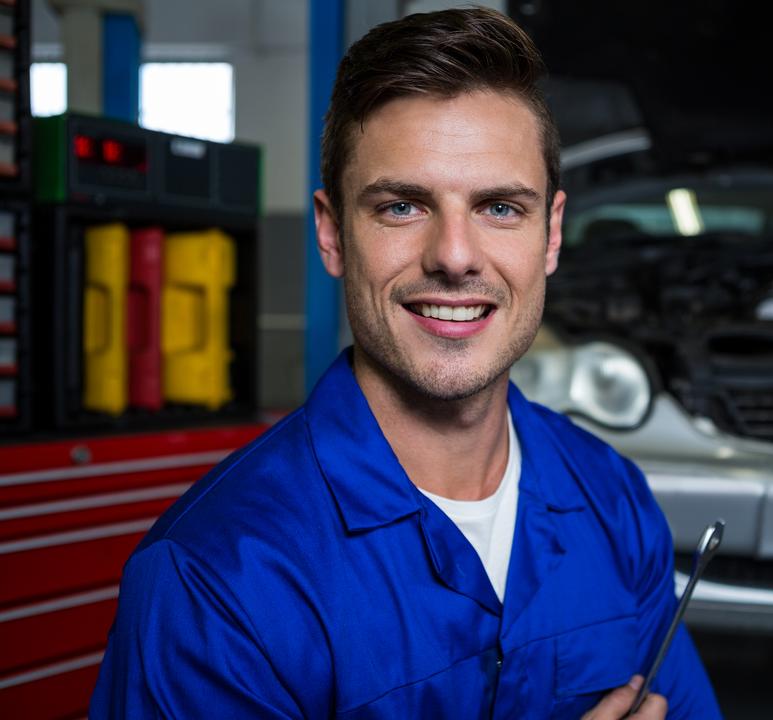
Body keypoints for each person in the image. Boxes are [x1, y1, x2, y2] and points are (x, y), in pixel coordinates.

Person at [90, 8, 721, 719]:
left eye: (500, 208)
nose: (453, 255)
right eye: (402, 207)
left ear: (550, 234)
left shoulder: (612, 498)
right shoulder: (215, 579)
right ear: (332, 236)